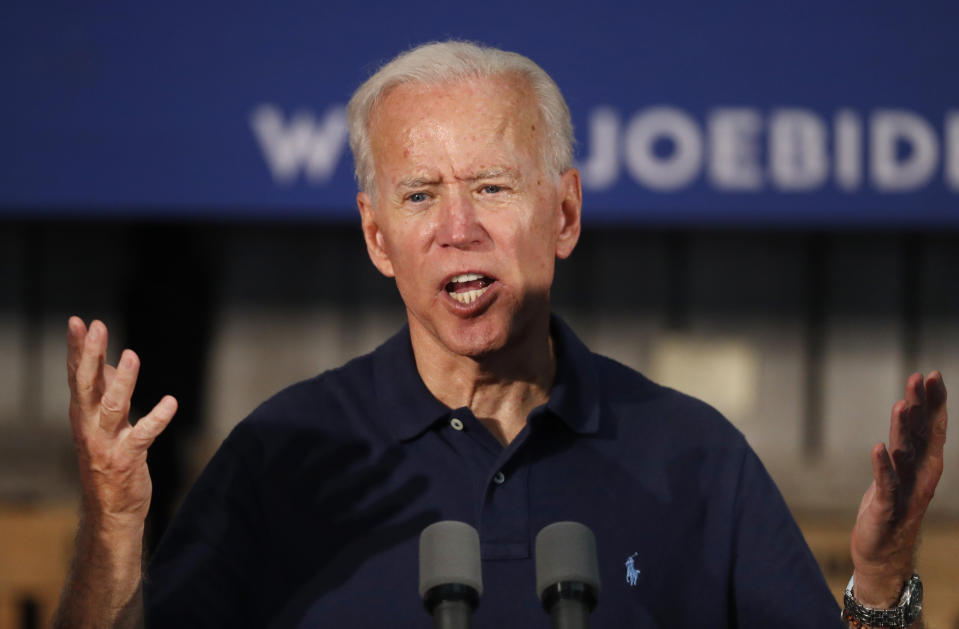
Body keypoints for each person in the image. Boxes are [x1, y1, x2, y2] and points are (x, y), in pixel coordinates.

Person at [55, 41, 948, 628]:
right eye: (419, 195)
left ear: (563, 213)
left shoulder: (695, 458)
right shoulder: (281, 457)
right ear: (376, 238)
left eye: (490, 186)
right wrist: (114, 527)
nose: (457, 227)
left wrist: (879, 577)